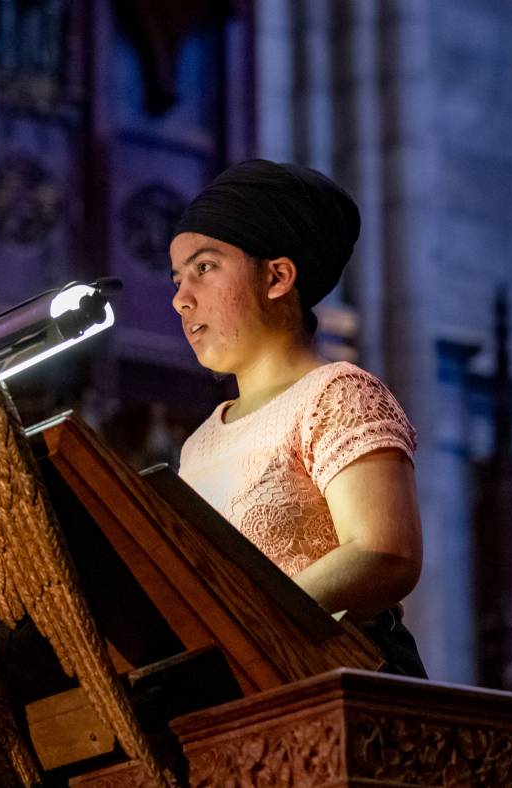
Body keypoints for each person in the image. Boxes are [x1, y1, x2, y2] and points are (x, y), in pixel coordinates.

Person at [170, 159, 427, 677]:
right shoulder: (197, 445)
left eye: (204, 268)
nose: (181, 299)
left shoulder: (335, 393)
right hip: (249, 690)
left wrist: (242, 628)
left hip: (346, 686)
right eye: (177, 278)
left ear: (277, 277)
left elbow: (384, 549)